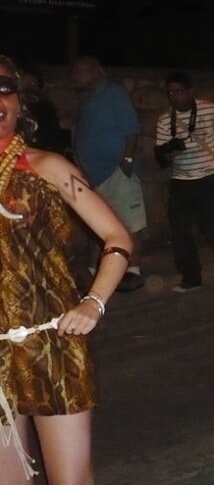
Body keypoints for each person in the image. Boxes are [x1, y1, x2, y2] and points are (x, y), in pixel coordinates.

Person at [0, 55, 132, 485]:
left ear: (20, 101)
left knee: (70, 480)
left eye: (4, 89)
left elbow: (116, 236)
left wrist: (94, 302)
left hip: (51, 340)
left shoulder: (48, 167)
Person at [154, 71, 214, 293]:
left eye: (179, 91)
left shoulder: (208, 108)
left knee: (210, 225)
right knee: (180, 230)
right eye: (170, 93)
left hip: (207, 177)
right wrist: (171, 147)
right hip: (181, 180)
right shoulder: (166, 119)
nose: (174, 96)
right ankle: (191, 278)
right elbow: (160, 155)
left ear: (190, 91)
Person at [71, 55, 147, 292]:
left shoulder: (114, 93)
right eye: (75, 72)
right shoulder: (89, 99)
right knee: (98, 223)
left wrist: (126, 162)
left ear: (97, 71)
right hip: (95, 175)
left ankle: (133, 270)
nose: (77, 76)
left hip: (116, 171)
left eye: (82, 71)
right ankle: (96, 269)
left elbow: (131, 131)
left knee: (131, 222)